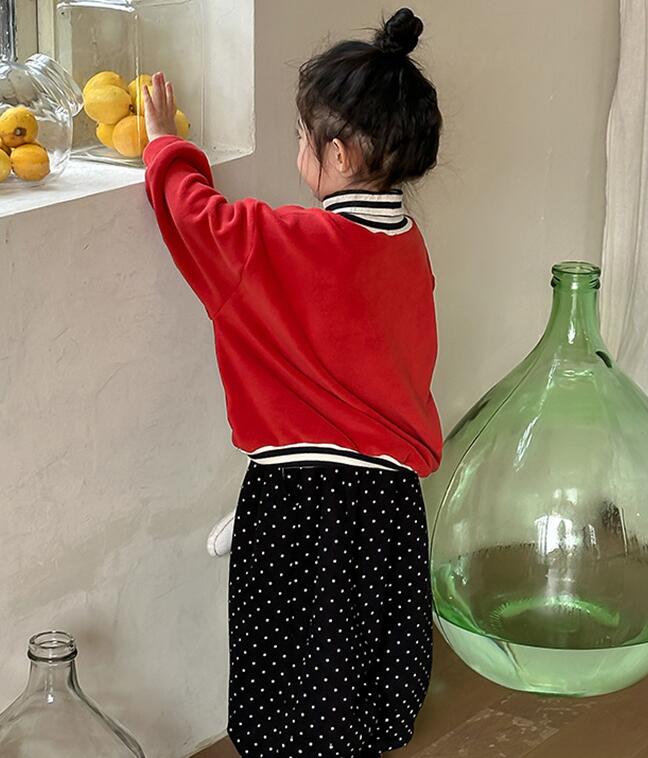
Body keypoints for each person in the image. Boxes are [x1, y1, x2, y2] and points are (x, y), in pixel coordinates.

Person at [143, 7, 443, 757]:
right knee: (359, 681)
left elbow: (195, 217)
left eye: (302, 137)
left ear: (335, 154)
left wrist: (165, 144)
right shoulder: (411, 252)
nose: (298, 148)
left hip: (300, 504)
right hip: (389, 507)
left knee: (285, 687)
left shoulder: (280, 242)